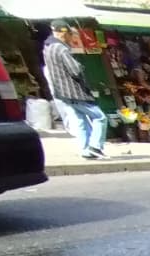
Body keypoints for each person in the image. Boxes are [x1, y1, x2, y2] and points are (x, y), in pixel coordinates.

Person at [43, 19, 107, 159]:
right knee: (100, 117)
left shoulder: (47, 48)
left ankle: (85, 150)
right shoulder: (61, 48)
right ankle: (95, 147)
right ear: (63, 33)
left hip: (62, 92)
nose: (71, 37)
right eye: (70, 34)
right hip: (74, 92)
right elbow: (75, 70)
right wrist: (81, 68)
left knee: (80, 121)